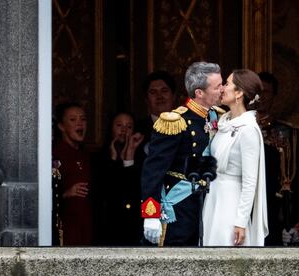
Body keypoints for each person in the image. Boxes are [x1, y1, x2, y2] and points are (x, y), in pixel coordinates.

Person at [141, 61, 224, 246]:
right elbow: (153, 169)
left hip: (208, 205)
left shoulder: (217, 117)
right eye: (218, 86)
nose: (223, 89)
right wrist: (151, 213)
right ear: (199, 93)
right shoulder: (175, 121)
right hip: (179, 206)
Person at [202, 69, 268, 246]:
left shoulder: (248, 129)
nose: (222, 88)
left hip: (231, 202)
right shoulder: (224, 122)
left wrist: (240, 220)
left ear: (239, 93)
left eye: (227, 84)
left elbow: (249, 180)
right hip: (214, 197)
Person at [257, 72, 299, 246]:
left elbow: (297, 180)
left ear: (274, 96)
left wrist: (293, 221)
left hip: (275, 209)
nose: (260, 97)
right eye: (257, 91)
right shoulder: (236, 129)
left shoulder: (287, 134)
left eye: (266, 92)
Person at [91, 112, 144, 245]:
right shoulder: (98, 158)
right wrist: (113, 160)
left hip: (133, 227)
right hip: (107, 226)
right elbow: (105, 192)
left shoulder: (142, 158)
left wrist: (129, 158)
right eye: (119, 125)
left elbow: (134, 192)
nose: (124, 130)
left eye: (129, 126)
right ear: (111, 128)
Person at [52, 102, 93, 245]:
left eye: (83, 119)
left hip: (86, 226)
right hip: (65, 228)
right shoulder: (54, 153)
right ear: (61, 126)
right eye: (73, 119)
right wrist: (65, 193)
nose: (80, 123)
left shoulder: (85, 155)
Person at [136, 70, 176, 157]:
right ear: (146, 100)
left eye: (164, 91)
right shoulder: (136, 130)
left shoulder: (189, 127)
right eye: (153, 92)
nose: (159, 96)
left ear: (173, 97)